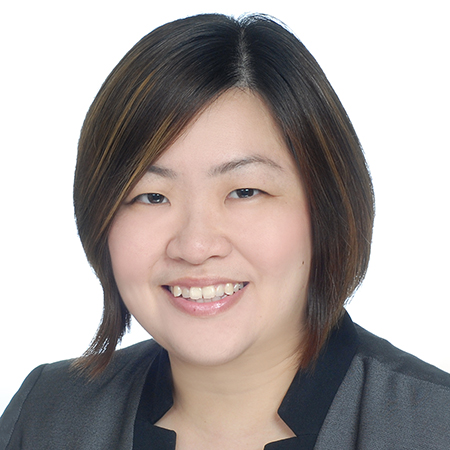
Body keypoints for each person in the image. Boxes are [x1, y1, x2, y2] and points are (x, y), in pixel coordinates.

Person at [1, 13, 449, 450]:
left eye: (245, 191)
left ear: (325, 207)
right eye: (152, 196)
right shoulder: (45, 417)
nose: (195, 246)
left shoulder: (434, 426)